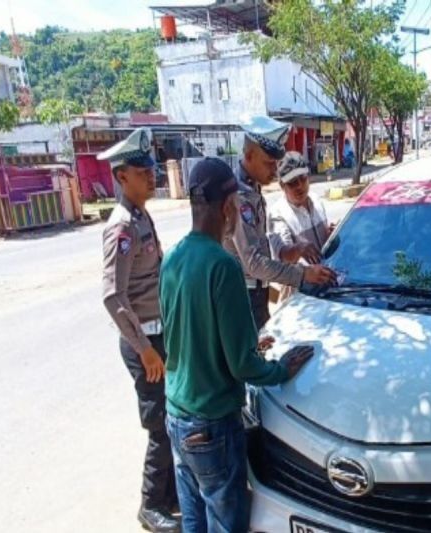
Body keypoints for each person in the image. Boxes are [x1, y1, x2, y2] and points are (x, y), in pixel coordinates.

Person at [160, 157, 314, 533]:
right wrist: (281, 368)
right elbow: (244, 368)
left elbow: (182, 335)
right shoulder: (224, 266)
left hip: (177, 416)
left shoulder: (174, 258)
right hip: (211, 423)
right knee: (226, 522)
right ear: (229, 206)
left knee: (194, 519)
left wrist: (247, 342)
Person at [99, 128, 179, 533]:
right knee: (159, 423)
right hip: (143, 342)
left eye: (151, 169)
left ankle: (167, 494)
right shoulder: (122, 227)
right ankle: (150, 504)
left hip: (157, 334)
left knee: (170, 418)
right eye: (141, 170)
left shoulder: (140, 214)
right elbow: (113, 298)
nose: (151, 176)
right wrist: (146, 350)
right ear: (121, 177)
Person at [224, 115, 336, 329]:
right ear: (249, 156)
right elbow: (255, 263)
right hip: (241, 297)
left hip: (258, 293)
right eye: (269, 163)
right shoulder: (239, 198)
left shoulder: (253, 191)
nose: (275, 171)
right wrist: (303, 274)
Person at [268, 151, 335, 302]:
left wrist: (332, 234)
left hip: (327, 286)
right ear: (282, 185)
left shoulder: (317, 201)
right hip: (299, 295)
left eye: (302, 179)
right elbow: (282, 255)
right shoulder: (277, 214)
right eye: (292, 183)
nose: (299, 186)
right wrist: (298, 249)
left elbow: (324, 242)